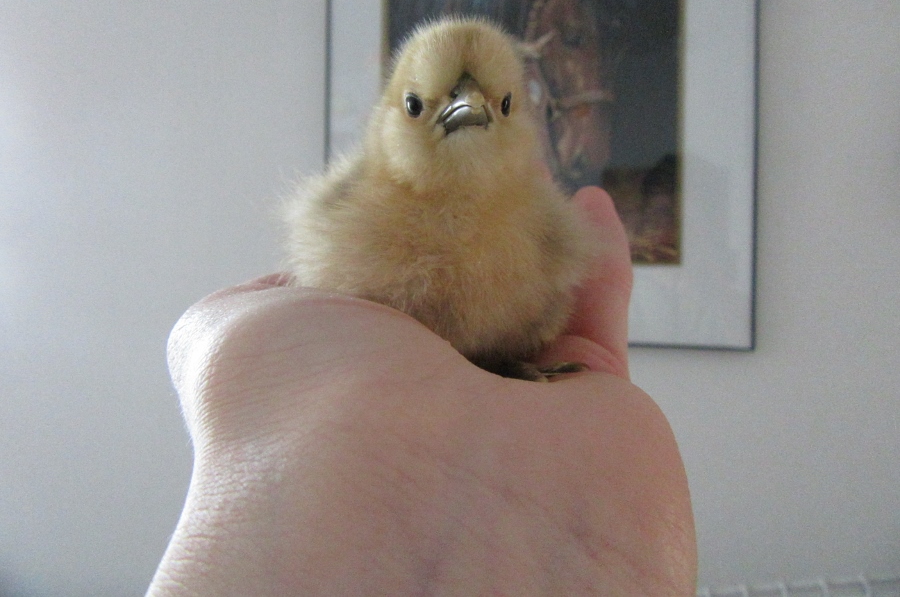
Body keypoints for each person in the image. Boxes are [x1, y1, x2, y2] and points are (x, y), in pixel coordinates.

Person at [147, 187, 696, 596]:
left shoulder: (530, 230)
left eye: (500, 105)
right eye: (418, 105)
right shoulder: (364, 216)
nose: (465, 114)